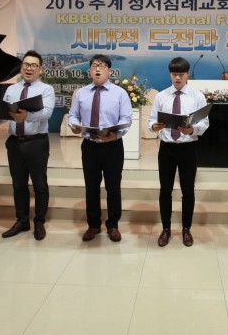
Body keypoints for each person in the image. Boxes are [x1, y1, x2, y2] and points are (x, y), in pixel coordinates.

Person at [68, 54, 133, 242]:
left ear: (109, 71)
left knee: (113, 187)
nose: (98, 68)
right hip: (90, 147)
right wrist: (74, 125)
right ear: (89, 71)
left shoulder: (120, 93)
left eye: (102, 66)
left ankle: (113, 225)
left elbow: (126, 119)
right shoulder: (81, 93)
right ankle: (93, 225)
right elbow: (73, 115)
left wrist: (115, 135)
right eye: (94, 65)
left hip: (112, 146)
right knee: (91, 186)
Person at [148, 57, 209, 247]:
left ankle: (186, 229)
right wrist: (155, 126)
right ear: (170, 74)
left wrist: (192, 130)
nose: (177, 78)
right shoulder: (161, 96)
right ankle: (166, 229)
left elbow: (204, 122)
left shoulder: (197, 96)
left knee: (188, 191)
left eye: (181, 74)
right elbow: (151, 121)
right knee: (165, 190)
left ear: (187, 74)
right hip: (167, 148)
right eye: (174, 74)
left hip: (188, 148)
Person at [0, 50, 55, 241]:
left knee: (39, 184)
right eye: (25, 64)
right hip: (14, 142)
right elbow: (4, 114)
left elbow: (47, 113)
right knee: (18, 184)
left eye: (33, 65)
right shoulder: (11, 89)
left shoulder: (46, 89)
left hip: (36, 142)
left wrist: (27, 116)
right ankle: (22, 220)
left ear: (40, 69)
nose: (28, 68)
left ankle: (39, 222)